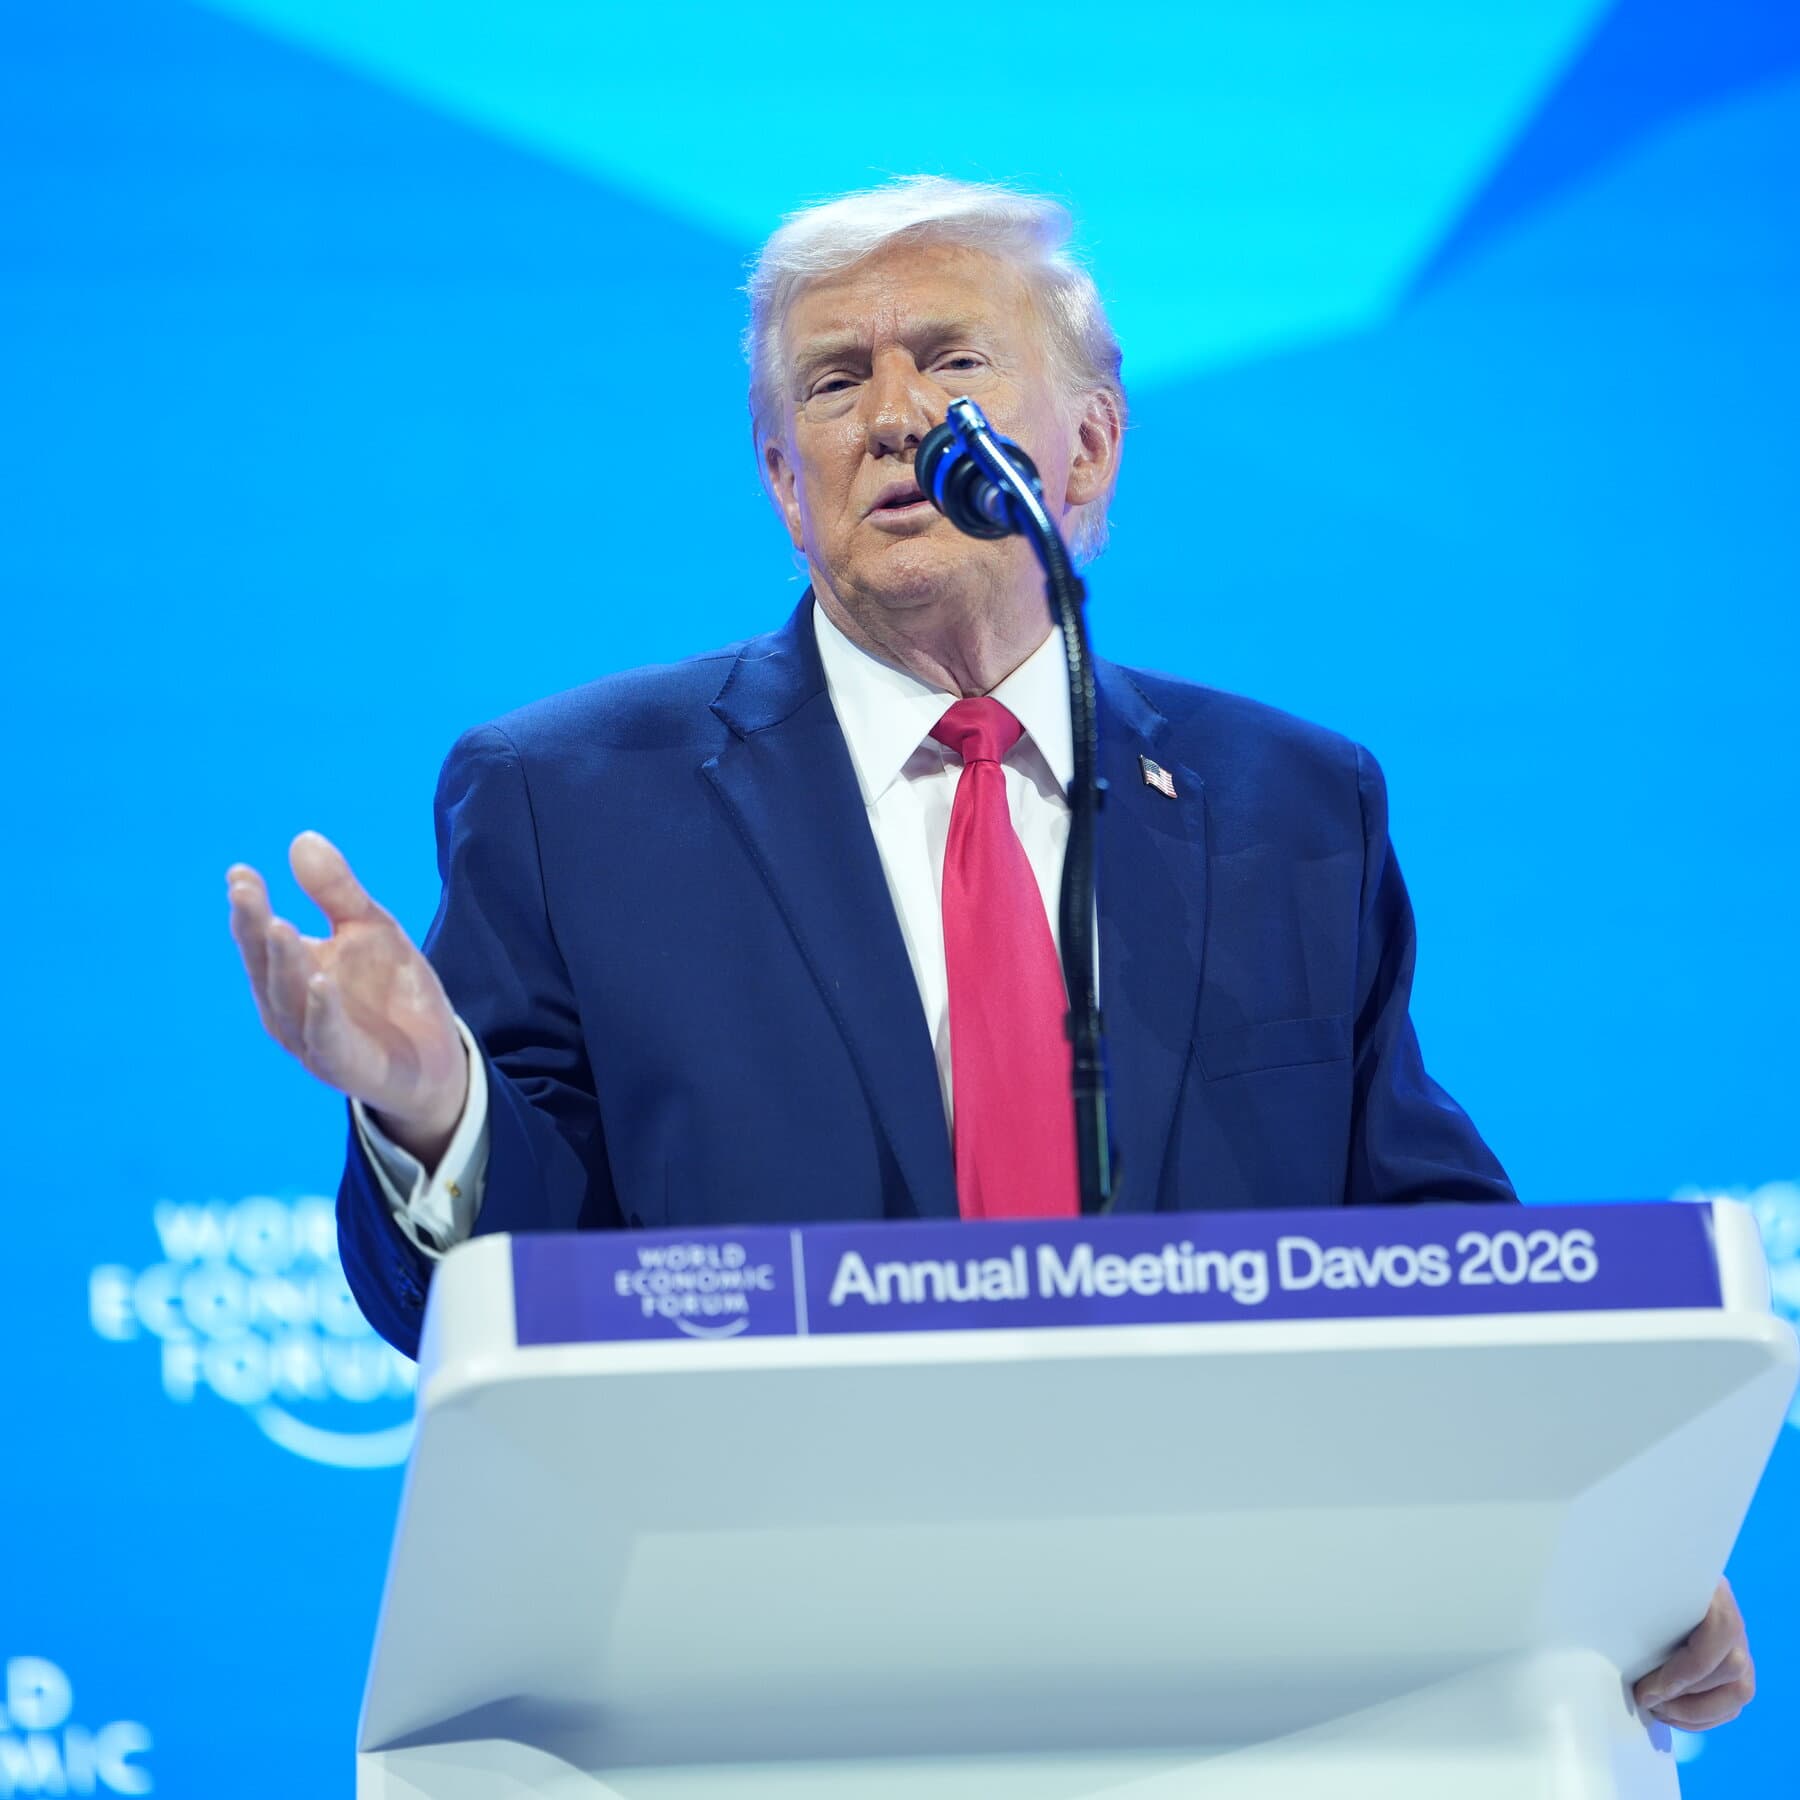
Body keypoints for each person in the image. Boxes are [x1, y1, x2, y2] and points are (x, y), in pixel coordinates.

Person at [225, 177, 1752, 1729]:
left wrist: (1611, 1551)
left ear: (1086, 445)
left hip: (1237, 1674)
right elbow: (497, 1309)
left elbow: (1430, 1248)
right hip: (765, 1681)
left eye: (950, 362)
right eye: (835, 382)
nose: (895, 418)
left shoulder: (1290, 804)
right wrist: (434, 1107)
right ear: (782, 478)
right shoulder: (571, 800)